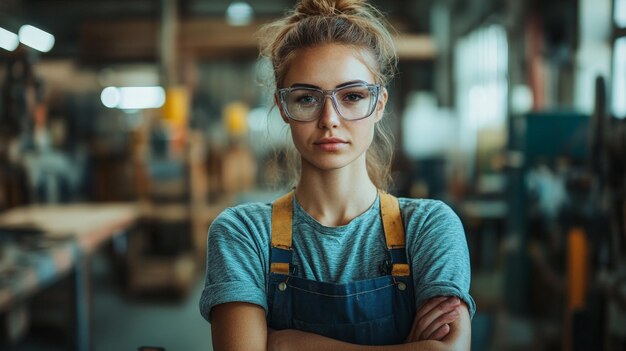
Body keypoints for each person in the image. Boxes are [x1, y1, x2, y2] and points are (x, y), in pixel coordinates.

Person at [199, 0, 476, 350]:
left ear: (379, 104)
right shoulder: (242, 233)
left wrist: (288, 344)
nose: (330, 118)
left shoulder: (430, 226)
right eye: (306, 98)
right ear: (283, 107)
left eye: (353, 96)